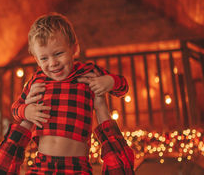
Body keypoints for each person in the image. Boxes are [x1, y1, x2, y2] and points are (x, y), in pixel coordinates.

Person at [11, 13, 129, 174]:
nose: (53, 63)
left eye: (58, 53)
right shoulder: (36, 80)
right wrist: (26, 111)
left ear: (74, 48)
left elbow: (123, 87)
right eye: (44, 58)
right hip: (42, 164)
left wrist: (110, 81)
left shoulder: (89, 72)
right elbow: (15, 109)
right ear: (37, 61)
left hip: (77, 166)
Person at [0, 88, 135, 174]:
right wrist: (101, 109)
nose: (52, 63)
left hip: (74, 166)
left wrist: (28, 118)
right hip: (45, 165)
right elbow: (121, 169)